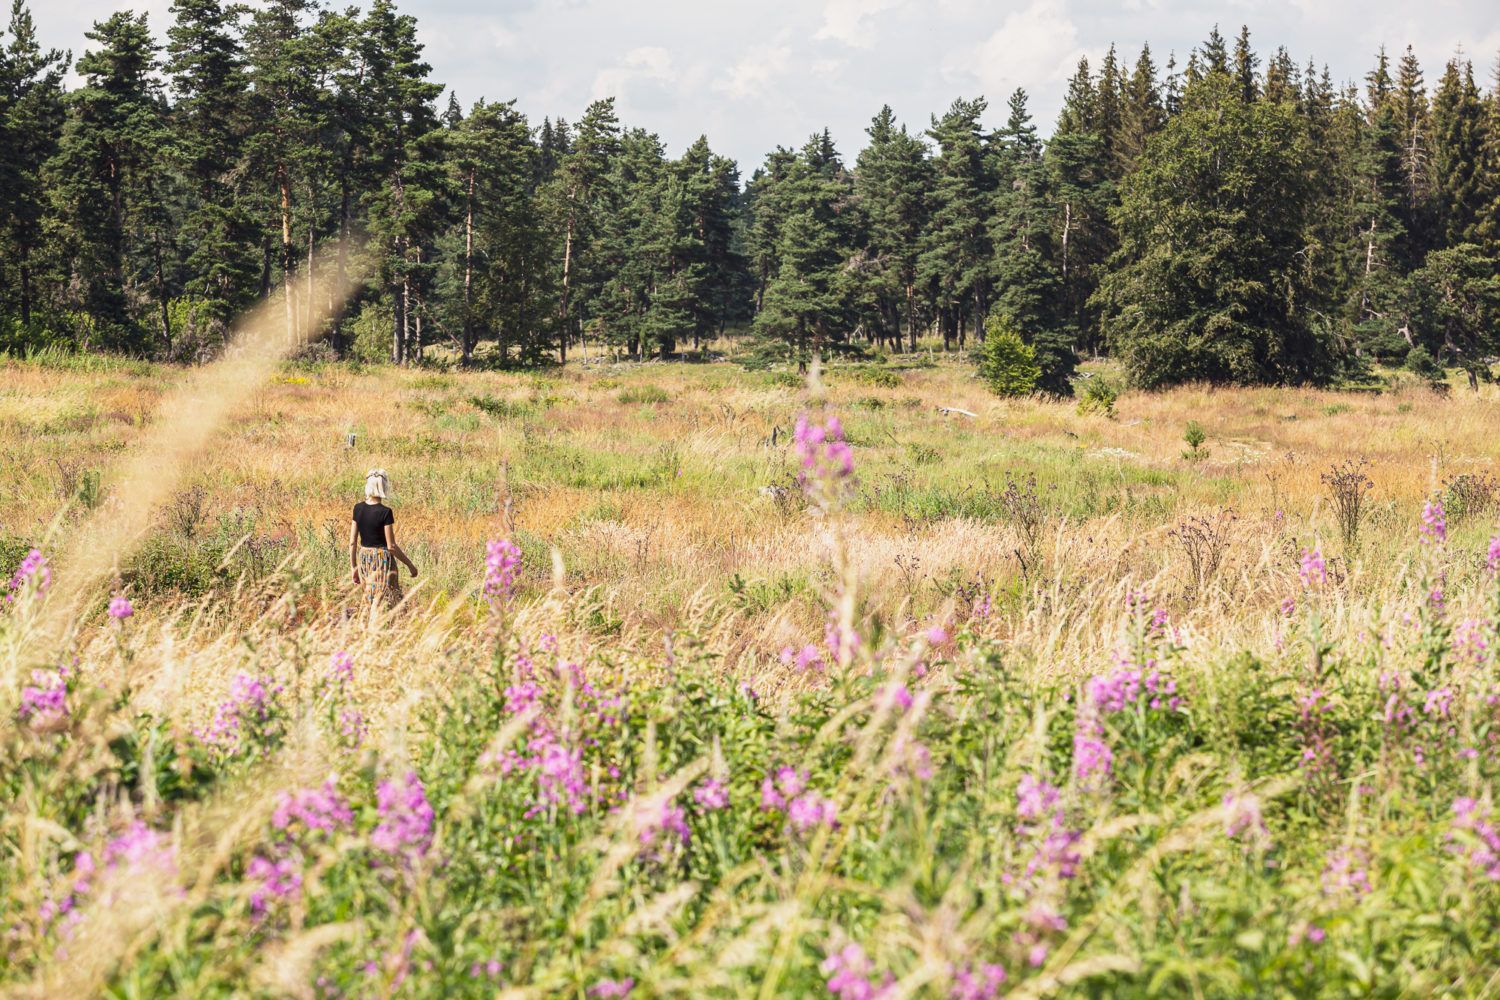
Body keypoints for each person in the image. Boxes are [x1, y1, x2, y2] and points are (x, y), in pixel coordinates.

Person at [350, 469, 418, 611]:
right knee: (385, 598)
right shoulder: (385, 512)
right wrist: (410, 565)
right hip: (382, 559)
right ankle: (383, 627)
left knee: (369, 597)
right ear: (384, 487)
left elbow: (352, 542)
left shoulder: (358, 509)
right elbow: (391, 546)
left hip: (364, 558)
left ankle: (367, 625)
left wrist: (354, 567)